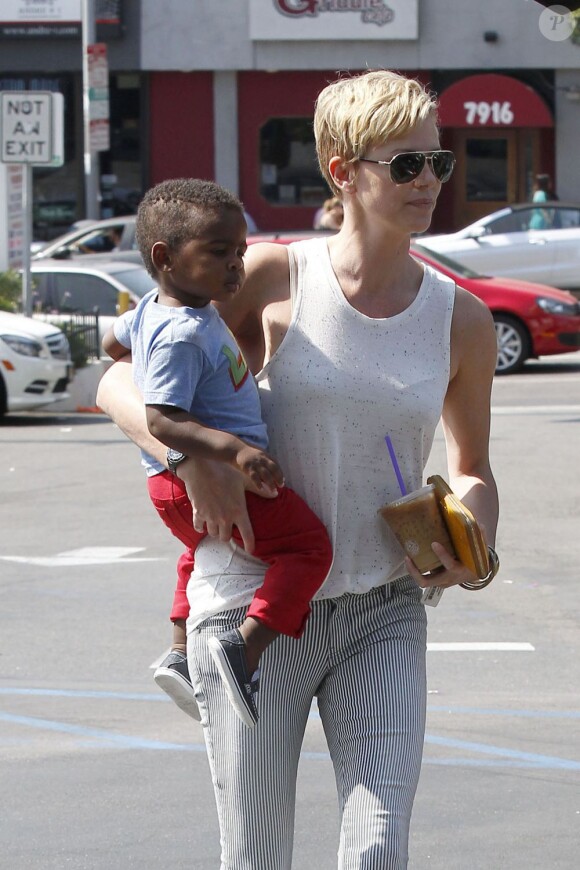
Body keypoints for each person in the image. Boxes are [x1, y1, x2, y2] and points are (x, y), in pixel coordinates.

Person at [97, 69, 499, 868]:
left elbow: (475, 466)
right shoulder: (271, 277)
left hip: (383, 607)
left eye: (439, 164)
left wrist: (476, 535)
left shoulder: (463, 319)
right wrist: (189, 455)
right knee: (257, 855)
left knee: (379, 848)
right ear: (343, 171)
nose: (429, 184)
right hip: (254, 604)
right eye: (406, 165)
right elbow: (117, 376)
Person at [101, 178, 332, 728]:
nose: (236, 265)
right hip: (211, 477)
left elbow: (113, 345)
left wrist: (130, 344)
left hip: (171, 487)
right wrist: (235, 454)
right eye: (218, 252)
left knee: (198, 550)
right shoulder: (183, 333)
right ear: (165, 257)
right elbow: (161, 418)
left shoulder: (156, 311)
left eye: (240, 252)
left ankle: (180, 655)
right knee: (307, 549)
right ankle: (243, 649)